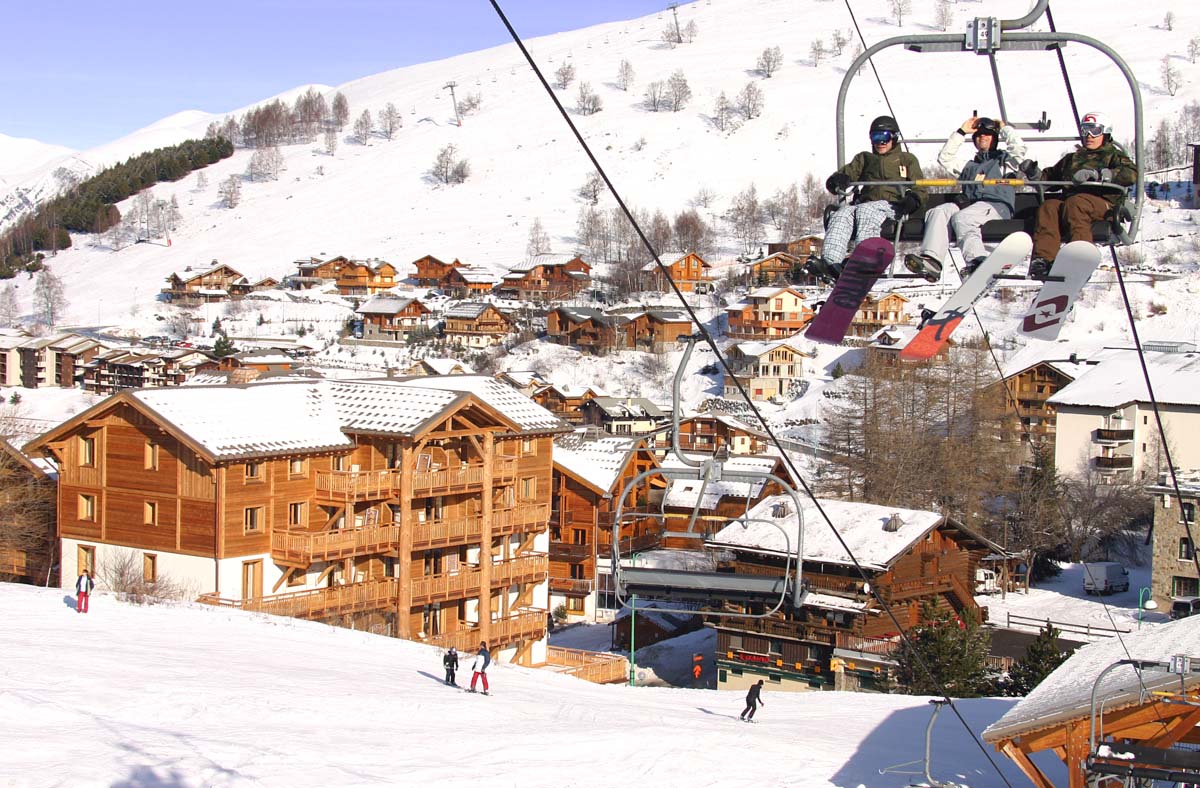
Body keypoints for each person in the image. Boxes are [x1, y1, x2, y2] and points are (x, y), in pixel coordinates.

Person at [903, 116, 1028, 282]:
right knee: (938, 212)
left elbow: (1019, 150)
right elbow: (945, 158)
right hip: (972, 206)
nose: (982, 137)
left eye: (987, 134)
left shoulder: (1004, 162)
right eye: (978, 135)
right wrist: (961, 132)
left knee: (963, 218)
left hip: (996, 205)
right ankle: (932, 260)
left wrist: (1004, 128)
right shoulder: (970, 167)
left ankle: (977, 261)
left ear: (995, 138)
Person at [808, 115, 927, 281]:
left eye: (884, 137)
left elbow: (920, 186)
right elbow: (848, 172)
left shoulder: (906, 159)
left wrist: (913, 199)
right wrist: (837, 180)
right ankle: (830, 262)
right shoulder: (864, 158)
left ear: (894, 137)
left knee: (866, 211)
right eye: (875, 137)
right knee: (841, 214)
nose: (880, 142)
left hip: (892, 205)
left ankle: (865, 258)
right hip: (864, 203)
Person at [1025, 111, 1137, 279]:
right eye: (1085, 130)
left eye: (1095, 131)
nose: (1089, 135)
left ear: (1105, 133)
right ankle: (1043, 260)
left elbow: (1131, 174)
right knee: (1049, 206)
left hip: (1104, 204)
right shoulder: (1072, 159)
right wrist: (1033, 173)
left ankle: (1080, 258)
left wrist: (1101, 174)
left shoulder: (1114, 156)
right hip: (1073, 205)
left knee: (1076, 203)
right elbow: (1049, 179)